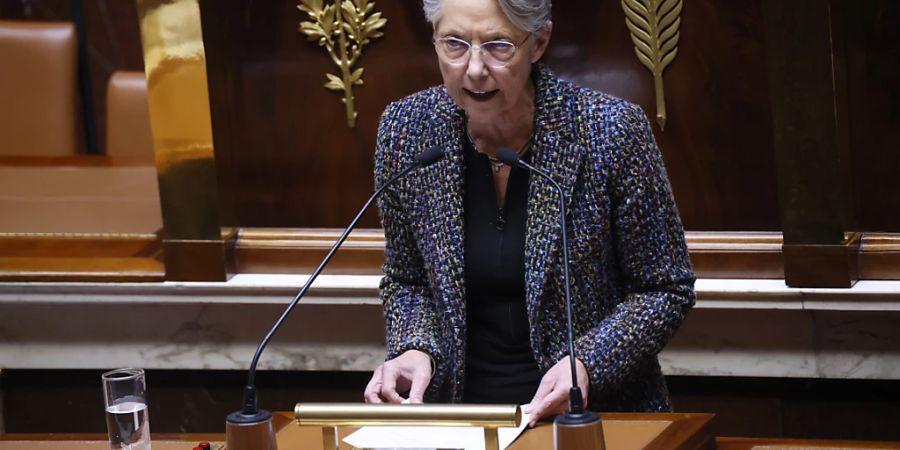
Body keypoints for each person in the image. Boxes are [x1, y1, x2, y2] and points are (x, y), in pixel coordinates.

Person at [364, 0, 696, 426]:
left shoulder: (610, 131)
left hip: (592, 419)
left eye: (499, 46)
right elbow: (407, 279)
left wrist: (588, 362)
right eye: (455, 44)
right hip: (461, 421)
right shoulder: (407, 130)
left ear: (539, 42)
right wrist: (415, 346)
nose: (475, 69)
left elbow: (665, 288)